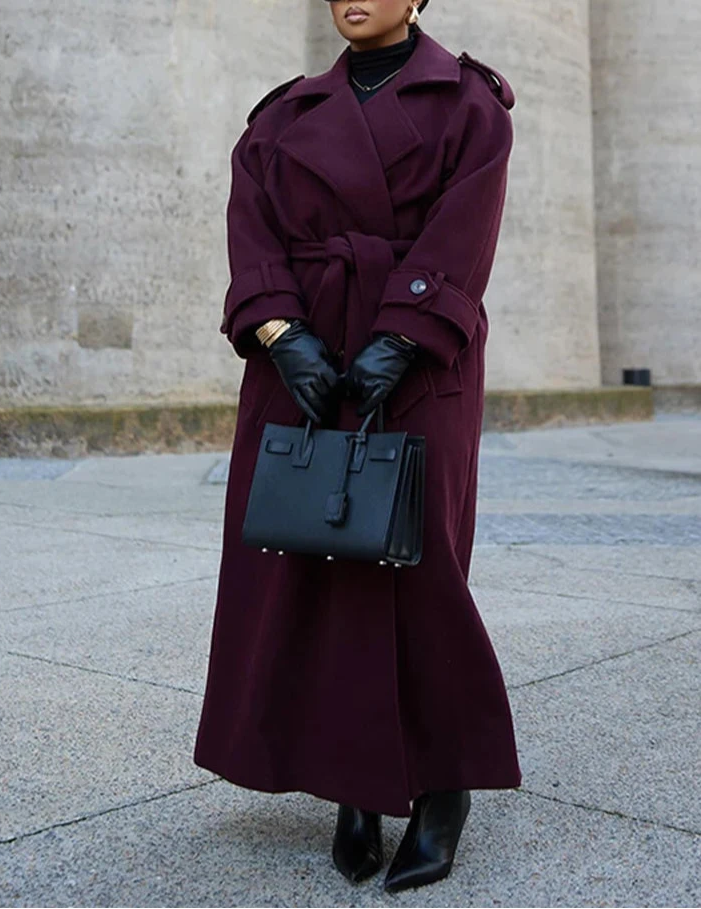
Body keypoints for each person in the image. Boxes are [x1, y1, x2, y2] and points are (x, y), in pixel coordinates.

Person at [194, 0, 521, 893]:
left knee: (422, 569)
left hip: (417, 364)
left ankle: (445, 786)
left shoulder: (469, 104)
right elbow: (251, 227)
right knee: (308, 566)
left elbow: (468, 228)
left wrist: (403, 332)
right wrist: (280, 333)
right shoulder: (283, 115)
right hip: (296, 365)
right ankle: (353, 789)